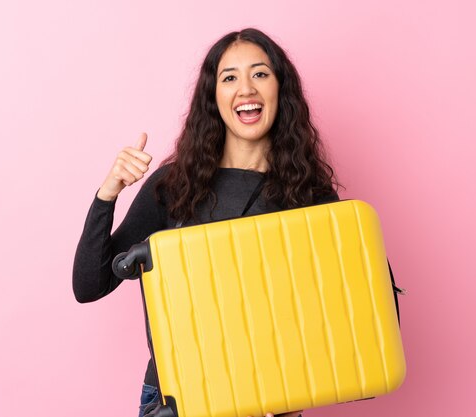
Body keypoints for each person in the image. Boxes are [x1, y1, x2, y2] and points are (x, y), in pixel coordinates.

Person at [73, 28, 340, 417]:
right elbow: (89, 286)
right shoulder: (173, 186)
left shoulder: (310, 196)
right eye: (229, 77)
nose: (245, 88)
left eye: (260, 74)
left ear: (281, 90)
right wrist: (107, 193)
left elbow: (340, 307)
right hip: (177, 401)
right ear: (213, 98)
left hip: (270, 400)